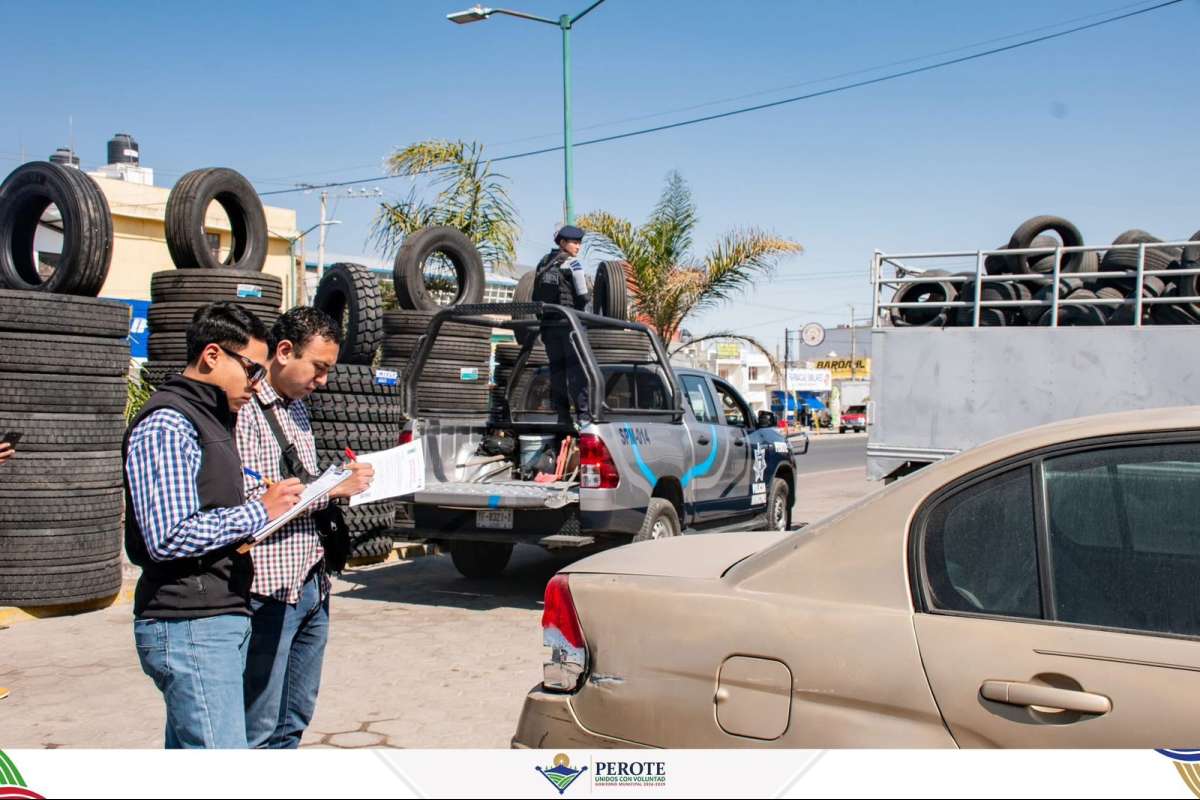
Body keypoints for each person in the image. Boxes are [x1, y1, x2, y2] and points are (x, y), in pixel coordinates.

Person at [124, 302, 304, 749]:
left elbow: (205, 491)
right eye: (252, 370)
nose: (258, 383)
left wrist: (252, 490)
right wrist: (260, 510)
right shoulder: (168, 422)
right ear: (211, 356)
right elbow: (169, 536)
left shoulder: (211, 418)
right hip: (188, 623)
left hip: (215, 617)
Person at [236, 307, 374, 749]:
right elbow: (260, 504)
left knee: (293, 718)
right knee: (258, 724)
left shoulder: (296, 410)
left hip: (310, 582)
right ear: (283, 351)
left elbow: (300, 483)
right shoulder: (245, 410)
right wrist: (332, 489)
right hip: (269, 588)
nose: (323, 381)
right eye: (318, 368)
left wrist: (341, 483)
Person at [531, 224, 592, 425]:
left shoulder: (542, 263)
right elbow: (583, 296)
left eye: (579, 243)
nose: (578, 247)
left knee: (557, 372)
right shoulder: (573, 264)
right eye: (574, 242)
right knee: (577, 372)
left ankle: (563, 416)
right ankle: (583, 416)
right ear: (563, 243)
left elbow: (535, 294)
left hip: (549, 327)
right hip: (570, 326)